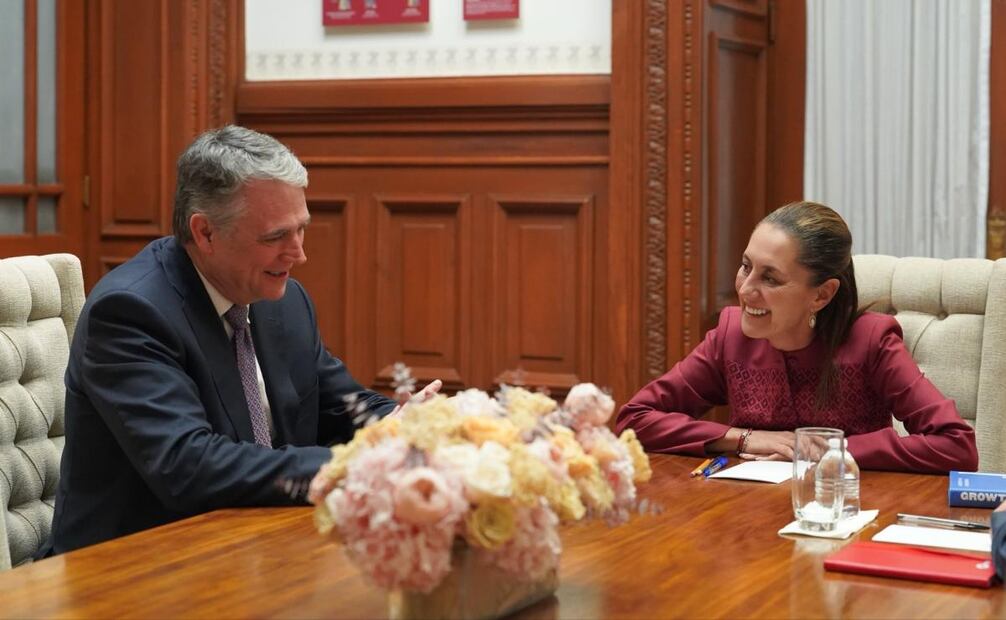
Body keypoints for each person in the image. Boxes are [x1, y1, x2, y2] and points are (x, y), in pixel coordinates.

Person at [43, 125, 440, 555]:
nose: (299, 253)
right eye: (275, 237)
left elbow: (339, 405)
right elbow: (190, 467)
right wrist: (357, 465)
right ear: (206, 233)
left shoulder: (280, 299)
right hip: (127, 569)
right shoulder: (131, 313)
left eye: (301, 229)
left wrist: (411, 424)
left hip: (253, 548)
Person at [616, 201, 977, 474]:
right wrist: (743, 438)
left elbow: (957, 446)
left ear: (821, 295)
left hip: (846, 515)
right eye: (746, 267)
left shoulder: (872, 340)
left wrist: (831, 450)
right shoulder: (729, 335)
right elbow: (635, 419)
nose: (745, 289)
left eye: (770, 278)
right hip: (745, 523)